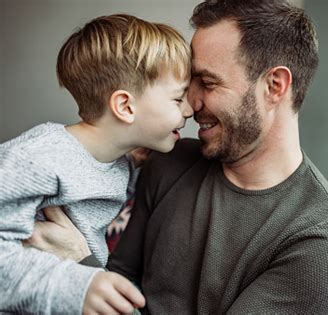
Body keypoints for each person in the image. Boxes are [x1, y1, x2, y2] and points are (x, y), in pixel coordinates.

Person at [28, 0, 328, 313]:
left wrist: (80, 266)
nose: (190, 104)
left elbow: (98, 278)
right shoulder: (168, 161)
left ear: (274, 86)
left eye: (207, 82)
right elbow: (120, 278)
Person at [0, 14, 193, 314]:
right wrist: (75, 285)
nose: (190, 109)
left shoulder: (117, 161)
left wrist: (134, 162)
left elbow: (95, 192)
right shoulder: (38, 158)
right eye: (178, 99)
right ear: (125, 106)